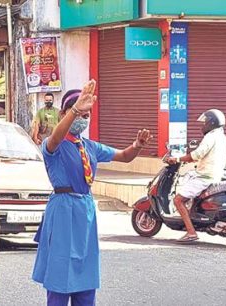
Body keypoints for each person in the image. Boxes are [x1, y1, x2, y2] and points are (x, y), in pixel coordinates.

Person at [32, 81, 152, 306]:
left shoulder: (90, 146)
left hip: (85, 211)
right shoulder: (53, 145)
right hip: (63, 210)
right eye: (78, 112)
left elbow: (125, 156)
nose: (83, 118)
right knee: (60, 277)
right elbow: (57, 137)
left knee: (86, 276)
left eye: (87, 114)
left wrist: (138, 145)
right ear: (63, 113)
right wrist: (76, 108)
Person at [165, 109, 226, 243]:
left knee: (178, 200)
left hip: (204, 177)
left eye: (205, 122)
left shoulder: (211, 137)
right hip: (213, 175)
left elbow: (197, 154)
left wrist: (176, 159)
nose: (203, 125)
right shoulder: (222, 137)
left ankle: (191, 232)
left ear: (212, 122)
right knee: (188, 178)